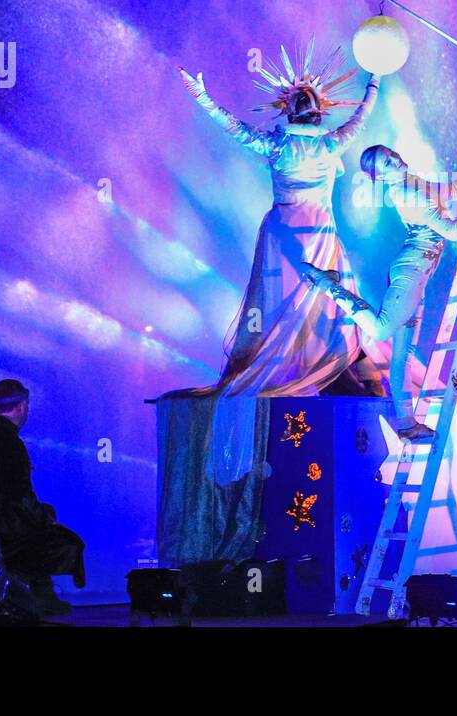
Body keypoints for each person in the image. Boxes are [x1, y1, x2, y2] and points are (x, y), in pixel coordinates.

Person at [158, 42, 413, 567]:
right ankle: (324, 366)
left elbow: (232, 128)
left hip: (284, 235)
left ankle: (297, 365)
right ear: (317, 110)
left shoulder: (277, 145)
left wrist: (203, 96)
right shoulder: (329, 145)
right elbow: (362, 119)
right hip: (316, 231)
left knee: (285, 309)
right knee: (326, 305)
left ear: (290, 110)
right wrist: (375, 81)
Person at [300, 144, 457, 439]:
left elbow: (455, 189)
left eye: (392, 154)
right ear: (380, 177)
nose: (396, 159)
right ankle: (328, 285)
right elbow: (452, 231)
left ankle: (407, 424)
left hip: (415, 271)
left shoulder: (413, 183)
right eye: (387, 162)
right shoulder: (409, 192)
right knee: (381, 331)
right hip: (411, 273)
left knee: (402, 355)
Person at [0, 379, 85, 617]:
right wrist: (45, 517)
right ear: (22, 406)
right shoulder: (9, 443)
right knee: (66, 542)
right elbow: (16, 499)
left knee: (37, 524)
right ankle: (31, 596)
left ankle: (35, 594)